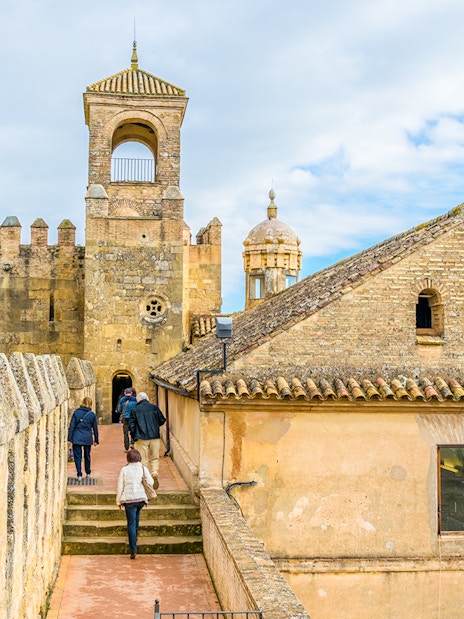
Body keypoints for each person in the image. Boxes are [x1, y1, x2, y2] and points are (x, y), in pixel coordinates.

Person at [116, 448, 154, 559]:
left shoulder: (124, 470)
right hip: (141, 499)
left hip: (129, 500)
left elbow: (120, 486)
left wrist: (118, 501)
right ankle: (135, 536)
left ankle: (133, 549)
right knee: (136, 517)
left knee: (131, 523)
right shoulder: (143, 468)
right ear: (139, 457)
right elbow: (151, 482)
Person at [129, 392, 166, 490]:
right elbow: (162, 420)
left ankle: (145, 478)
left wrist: (133, 437)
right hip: (154, 436)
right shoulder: (154, 408)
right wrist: (154, 424)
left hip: (141, 437)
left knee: (143, 459)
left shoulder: (135, 410)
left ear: (138, 400)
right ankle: (154, 473)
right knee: (155, 457)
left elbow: (131, 426)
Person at [67, 396, 99, 481]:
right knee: (87, 456)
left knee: (78, 456)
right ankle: (88, 472)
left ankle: (79, 474)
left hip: (77, 436)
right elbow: (95, 428)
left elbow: (72, 426)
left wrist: (70, 438)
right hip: (87, 437)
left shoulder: (76, 413)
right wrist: (96, 439)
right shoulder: (91, 414)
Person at [117, 387, 137, 452]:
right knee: (133, 430)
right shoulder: (135, 400)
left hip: (125, 418)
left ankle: (126, 447)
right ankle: (132, 443)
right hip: (133, 418)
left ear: (125, 393)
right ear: (131, 393)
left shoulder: (122, 400)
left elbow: (119, 409)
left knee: (125, 433)